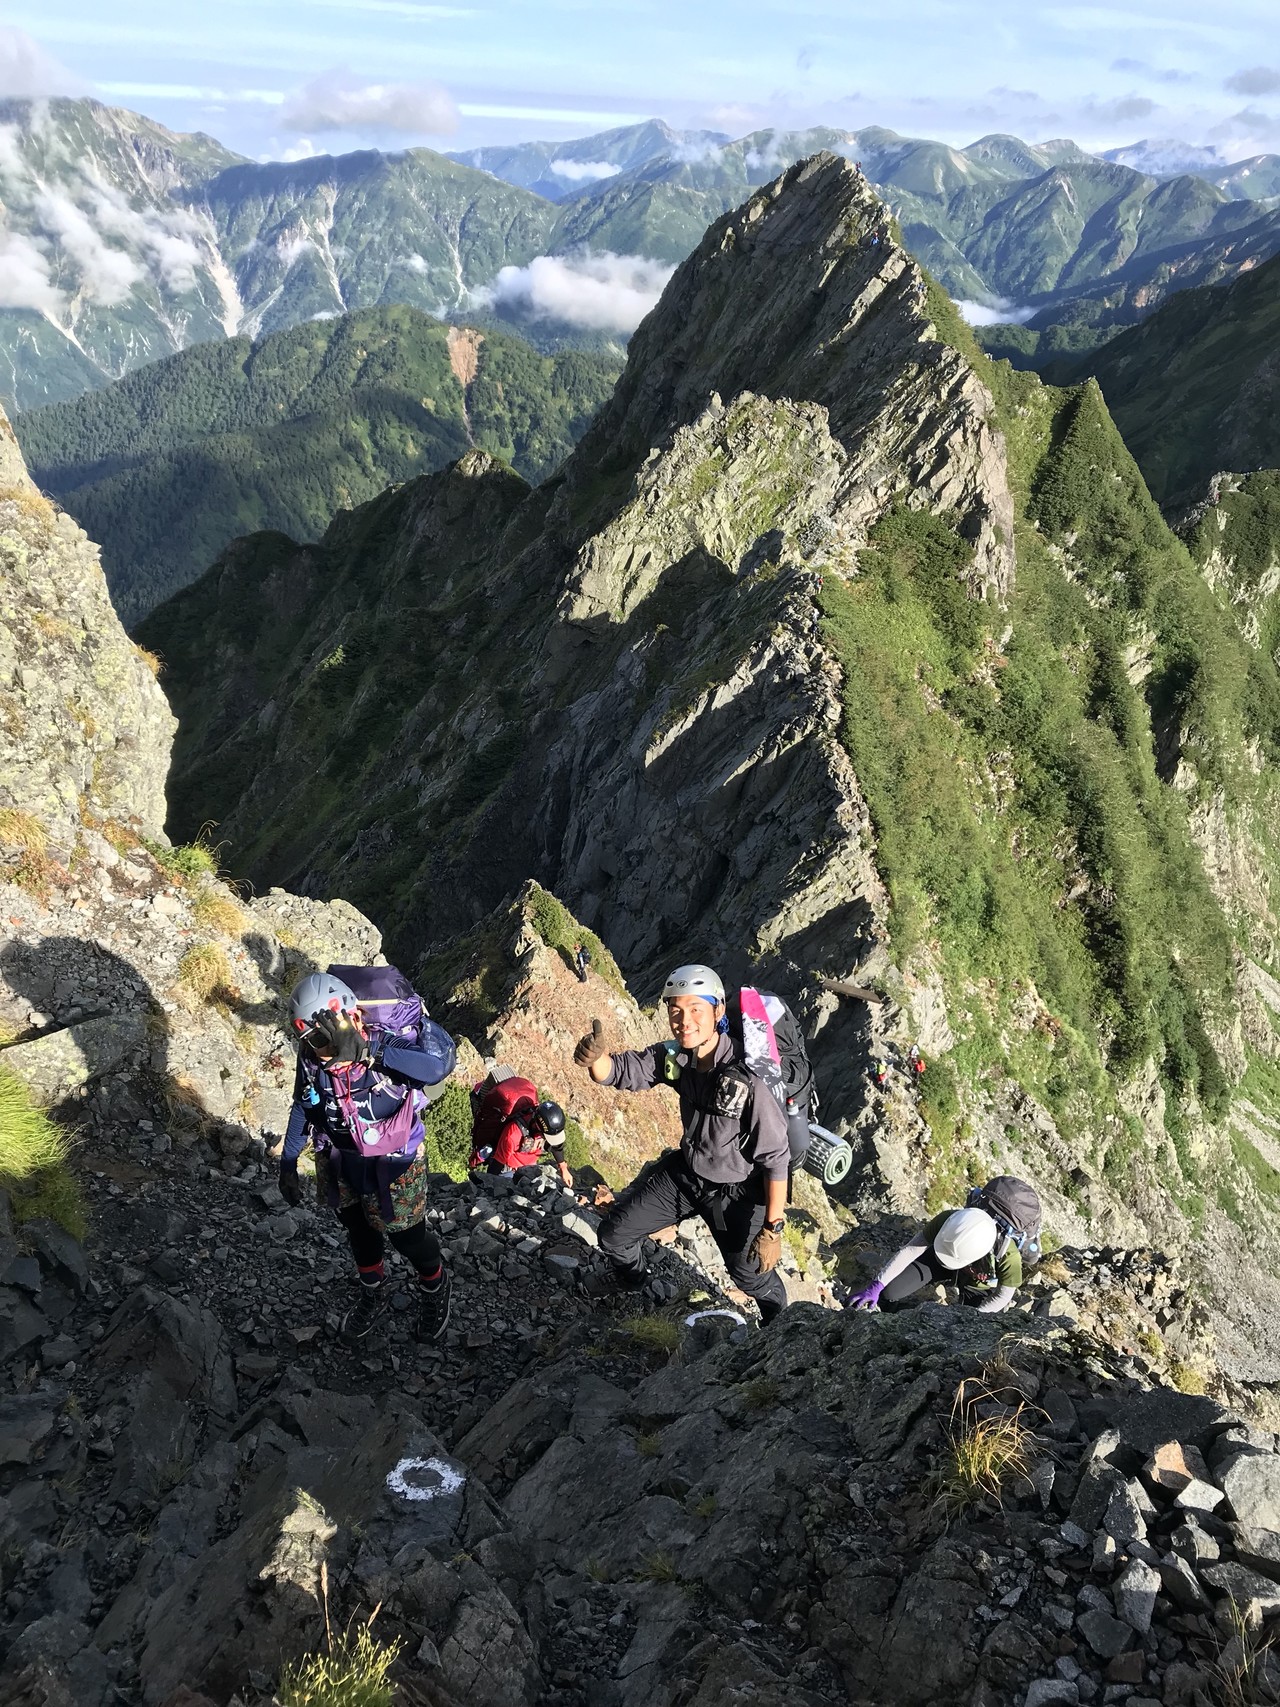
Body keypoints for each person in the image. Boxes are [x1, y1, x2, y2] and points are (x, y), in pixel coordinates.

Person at [574, 963, 790, 1324]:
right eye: (675, 1009)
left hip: (736, 1192)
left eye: (695, 1009)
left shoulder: (748, 1077)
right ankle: (632, 1280)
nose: (683, 1019)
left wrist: (773, 1228)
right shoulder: (677, 1057)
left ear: (717, 1011)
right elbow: (624, 1072)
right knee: (614, 1236)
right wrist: (596, 1060)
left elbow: (776, 1157)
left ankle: (779, 1317)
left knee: (750, 1275)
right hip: (687, 1176)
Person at [279, 971, 455, 1346]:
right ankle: (373, 1289)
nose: (326, 1056)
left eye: (330, 1044)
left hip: (395, 1161)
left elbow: (435, 1068)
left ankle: (435, 1284)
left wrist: (366, 1053)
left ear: (352, 1020)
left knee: (408, 1236)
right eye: (315, 1044)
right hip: (340, 1157)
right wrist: (288, 1162)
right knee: (358, 1229)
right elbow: (302, 1104)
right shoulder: (311, 1058)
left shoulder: (383, 1045)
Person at [847, 1204, 1023, 1315]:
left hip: (977, 1285)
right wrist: (878, 1284)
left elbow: (1003, 1296)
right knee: (890, 1293)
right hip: (939, 1258)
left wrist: (976, 1317)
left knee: (966, 1325)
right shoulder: (949, 1220)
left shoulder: (1009, 1256)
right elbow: (911, 1250)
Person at [469, 1073, 573, 1191]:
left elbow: (556, 1146)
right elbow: (498, 1163)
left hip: (528, 1164)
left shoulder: (543, 1127)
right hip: (508, 1167)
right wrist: (489, 1187)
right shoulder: (513, 1134)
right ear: (538, 1126)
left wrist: (563, 1168)